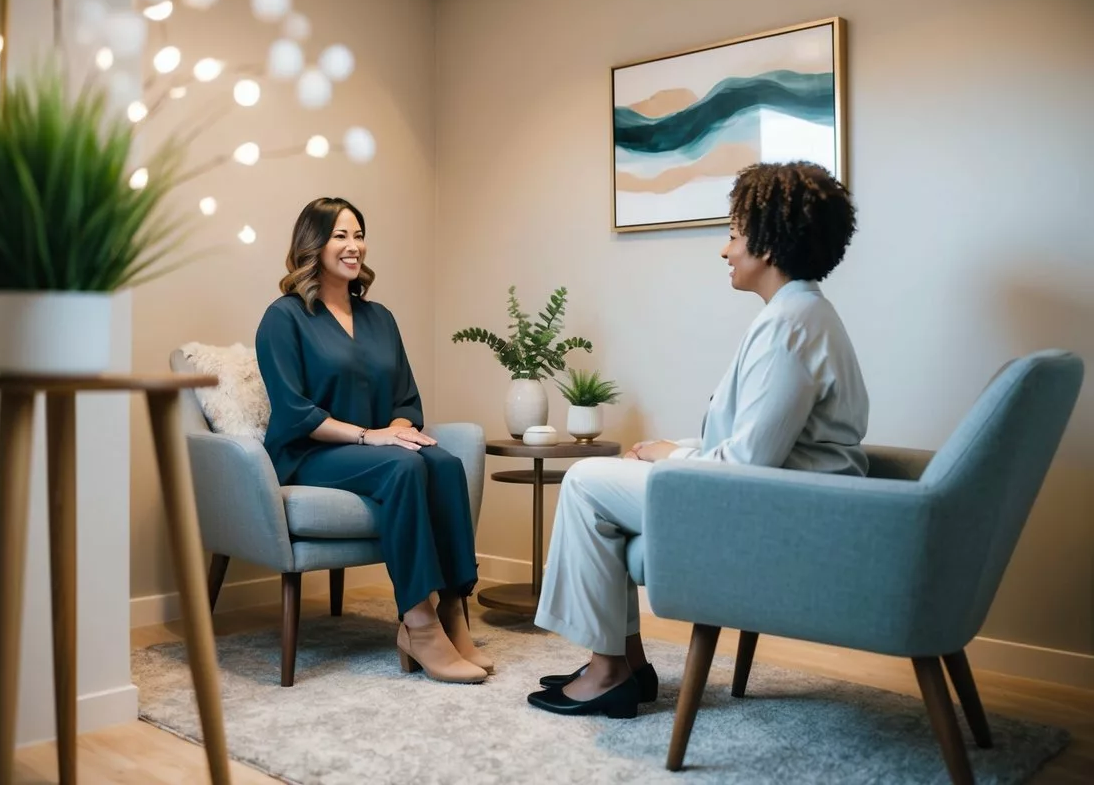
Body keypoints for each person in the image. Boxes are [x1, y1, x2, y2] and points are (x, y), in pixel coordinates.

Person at [527, 161, 870, 718]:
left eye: (733, 234)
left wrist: (674, 454)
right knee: (612, 483)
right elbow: (767, 439)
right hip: (796, 498)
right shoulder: (804, 314)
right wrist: (673, 449)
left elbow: (746, 462)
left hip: (785, 512)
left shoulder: (790, 326)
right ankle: (627, 664)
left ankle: (610, 669)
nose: (724, 249)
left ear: (767, 241)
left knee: (587, 481)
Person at [255, 196, 491, 684]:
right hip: (310, 452)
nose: (353, 246)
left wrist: (399, 432)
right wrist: (371, 438)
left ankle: (453, 611)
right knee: (403, 467)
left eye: (358, 234)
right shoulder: (284, 318)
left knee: (443, 463)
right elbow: (296, 411)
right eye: (340, 235)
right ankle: (418, 623)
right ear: (313, 244)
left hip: (373, 447)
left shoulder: (380, 317)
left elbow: (406, 400)